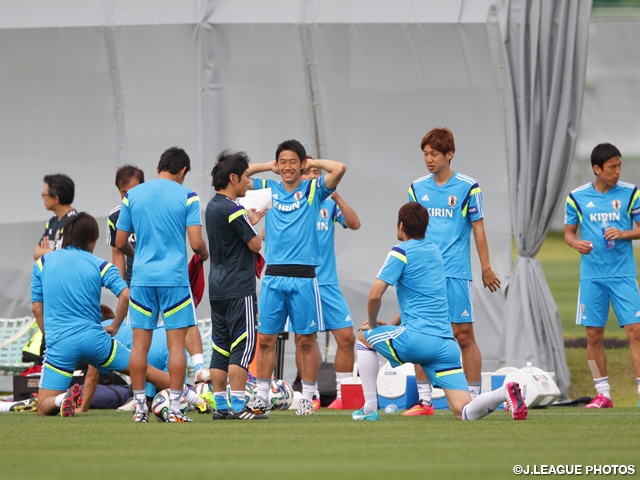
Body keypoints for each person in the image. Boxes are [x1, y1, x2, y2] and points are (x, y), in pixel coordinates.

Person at [353, 202, 527, 422]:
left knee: (363, 339)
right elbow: (420, 300)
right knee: (464, 412)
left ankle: (369, 409)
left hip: (417, 340)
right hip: (445, 346)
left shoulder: (400, 252)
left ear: (401, 225)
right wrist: (394, 324)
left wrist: (372, 323)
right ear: (426, 227)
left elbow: (374, 295)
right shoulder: (434, 251)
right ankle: (504, 392)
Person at [30, 212, 170, 417]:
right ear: (91, 240)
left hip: (61, 345)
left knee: (43, 406)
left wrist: (51, 336)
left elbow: (36, 308)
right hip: (96, 341)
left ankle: (62, 398)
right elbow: (125, 295)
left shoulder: (42, 263)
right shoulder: (99, 264)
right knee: (144, 370)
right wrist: (115, 326)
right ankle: (191, 395)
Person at [246, 139, 346, 416]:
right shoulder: (269, 188)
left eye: (293, 162)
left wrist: (310, 163)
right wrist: (268, 166)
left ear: (301, 164)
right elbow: (239, 176)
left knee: (305, 340)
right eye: (283, 162)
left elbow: (339, 168)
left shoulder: (313, 189)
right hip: (273, 276)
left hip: (304, 277)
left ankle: (307, 397)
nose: (287, 167)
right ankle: (261, 397)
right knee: (266, 340)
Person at [407, 127, 501, 415]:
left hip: (456, 273)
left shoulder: (468, 187)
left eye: (434, 154)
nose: (429, 159)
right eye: (425, 154)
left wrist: (486, 267)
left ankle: (472, 399)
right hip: (423, 275)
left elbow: (478, 229)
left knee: (463, 336)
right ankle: (424, 401)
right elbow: (411, 231)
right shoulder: (416, 188)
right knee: (420, 335)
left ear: (449, 154)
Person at [116, 147, 209, 423]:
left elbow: (120, 242)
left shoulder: (132, 195)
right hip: (174, 280)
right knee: (176, 346)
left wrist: (138, 256)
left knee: (139, 346)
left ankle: (140, 408)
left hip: (142, 279)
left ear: (159, 167)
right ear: (183, 171)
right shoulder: (188, 196)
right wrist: (204, 253)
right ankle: (176, 408)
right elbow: (196, 243)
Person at [564, 142, 640, 409]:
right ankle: (603, 393)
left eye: (619, 166)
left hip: (623, 274)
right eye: (612, 167)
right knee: (593, 336)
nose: (617, 171)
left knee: (636, 331)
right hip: (592, 277)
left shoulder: (631, 193)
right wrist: (576, 243)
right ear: (597, 169)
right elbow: (569, 233)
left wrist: (624, 233)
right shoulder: (577, 197)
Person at [205, 150, 267, 420]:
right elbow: (255, 244)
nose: (247, 182)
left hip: (217, 287)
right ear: (233, 178)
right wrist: (251, 225)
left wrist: (247, 221)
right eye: (245, 177)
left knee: (220, 347)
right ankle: (240, 407)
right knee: (243, 344)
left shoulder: (212, 206)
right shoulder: (233, 209)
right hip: (238, 287)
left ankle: (221, 406)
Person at [297, 164, 360, 409]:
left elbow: (355, 223)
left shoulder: (329, 203)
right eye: (308, 171)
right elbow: (265, 236)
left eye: (316, 172)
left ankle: (342, 397)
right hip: (302, 281)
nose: (313, 175)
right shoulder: (292, 202)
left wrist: (336, 196)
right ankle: (310, 395)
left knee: (347, 337)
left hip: (328, 283)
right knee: (304, 339)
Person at [33, 173, 77, 260]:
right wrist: (53, 251)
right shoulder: (52, 221)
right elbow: (36, 253)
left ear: (56, 199)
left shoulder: (74, 222)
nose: (43, 198)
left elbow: (66, 254)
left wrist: (47, 251)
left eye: (44, 195)